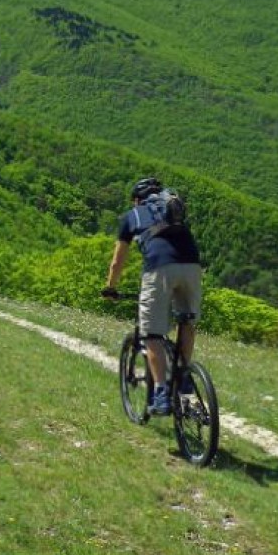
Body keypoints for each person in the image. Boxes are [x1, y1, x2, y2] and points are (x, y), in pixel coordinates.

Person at [101, 177, 202, 415]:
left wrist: (110, 287)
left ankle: (160, 394)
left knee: (152, 334)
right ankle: (184, 376)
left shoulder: (132, 216)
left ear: (137, 199)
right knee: (186, 320)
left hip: (159, 269)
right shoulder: (173, 211)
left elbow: (117, 262)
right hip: (193, 266)